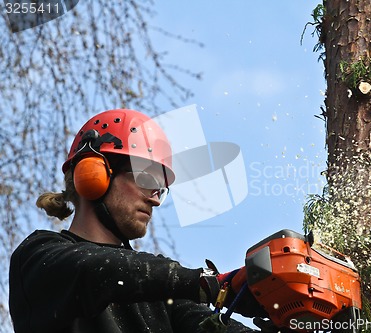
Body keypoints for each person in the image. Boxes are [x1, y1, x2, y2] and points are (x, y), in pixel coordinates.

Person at [9, 109, 274, 333]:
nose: (156, 200)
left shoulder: (159, 291)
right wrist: (212, 283)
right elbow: (98, 269)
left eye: (160, 189)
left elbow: (202, 322)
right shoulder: (39, 257)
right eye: (147, 180)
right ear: (94, 173)